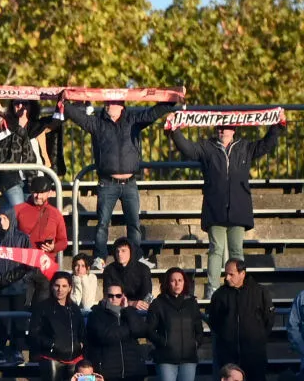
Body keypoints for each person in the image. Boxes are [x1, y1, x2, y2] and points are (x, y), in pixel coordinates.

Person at [166, 113, 286, 292]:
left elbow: (265, 145)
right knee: (216, 249)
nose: (222, 130)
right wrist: (175, 132)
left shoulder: (245, 147)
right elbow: (189, 149)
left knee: (237, 250)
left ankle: (239, 288)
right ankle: (213, 289)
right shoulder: (207, 147)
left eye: (226, 127)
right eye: (220, 127)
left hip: (238, 208)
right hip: (215, 208)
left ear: (234, 129)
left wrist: (277, 126)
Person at [65, 93, 177, 257]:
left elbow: (152, 113)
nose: (108, 104)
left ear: (121, 104)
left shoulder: (133, 120)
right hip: (107, 183)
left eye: (113, 101)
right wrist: (64, 103)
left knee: (134, 224)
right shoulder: (97, 123)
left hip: (130, 183)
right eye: (107, 101)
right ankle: (100, 258)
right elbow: (78, 118)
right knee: (102, 224)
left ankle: (135, 257)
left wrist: (171, 100)